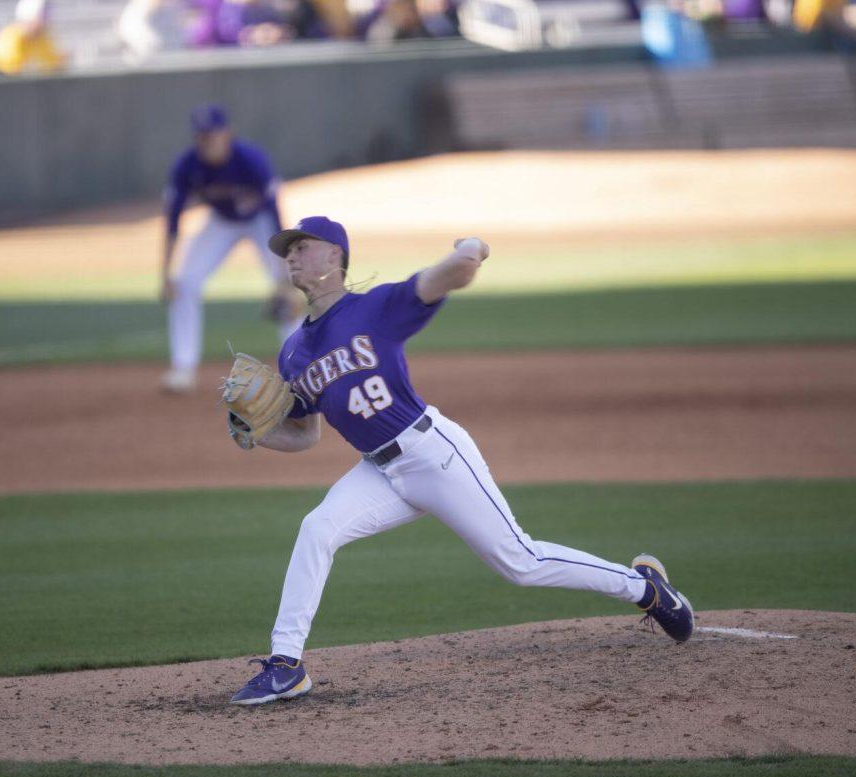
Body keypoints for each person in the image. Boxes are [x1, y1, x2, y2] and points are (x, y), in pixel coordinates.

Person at [227, 217, 695, 705]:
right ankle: (286, 664)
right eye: (288, 250)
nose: (292, 256)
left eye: (303, 246)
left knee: (520, 562)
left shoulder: (377, 307)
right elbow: (305, 433)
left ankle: (645, 589)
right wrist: (258, 434)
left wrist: (471, 248)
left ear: (335, 256)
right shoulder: (294, 351)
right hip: (379, 472)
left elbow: (454, 273)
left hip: (433, 456)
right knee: (317, 528)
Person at [159, 104, 297, 392]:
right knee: (184, 282)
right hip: (221, 221)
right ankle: (183, 367)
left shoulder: (250, 160)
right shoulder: (188, 166)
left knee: (288, 289)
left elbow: (274, 215)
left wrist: (283, 275)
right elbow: (173, 221)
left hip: (259, 220)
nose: (207, 141)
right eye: (201, 136)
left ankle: (298, 367)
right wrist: (165, 274)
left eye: (212, 134)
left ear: (228, 133)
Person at [0, 0, 66, 75]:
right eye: (42, 17)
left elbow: (53, 66)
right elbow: (10, 70)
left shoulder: (43, 39)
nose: (44, 24)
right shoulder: (12, 37)